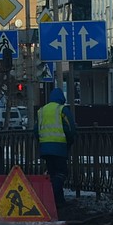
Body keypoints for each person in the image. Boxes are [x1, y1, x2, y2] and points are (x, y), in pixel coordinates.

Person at [36, 87, 76, 215]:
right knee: (62, 173)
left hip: (45, 147)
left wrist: (42, 142)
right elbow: (70, 129)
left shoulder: (41, 110)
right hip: (59, 146)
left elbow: (35, 130)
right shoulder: (62, 109)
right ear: (61, 99)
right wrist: (69, 142)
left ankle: (59, 201)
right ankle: (48, 196)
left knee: (53, 174)